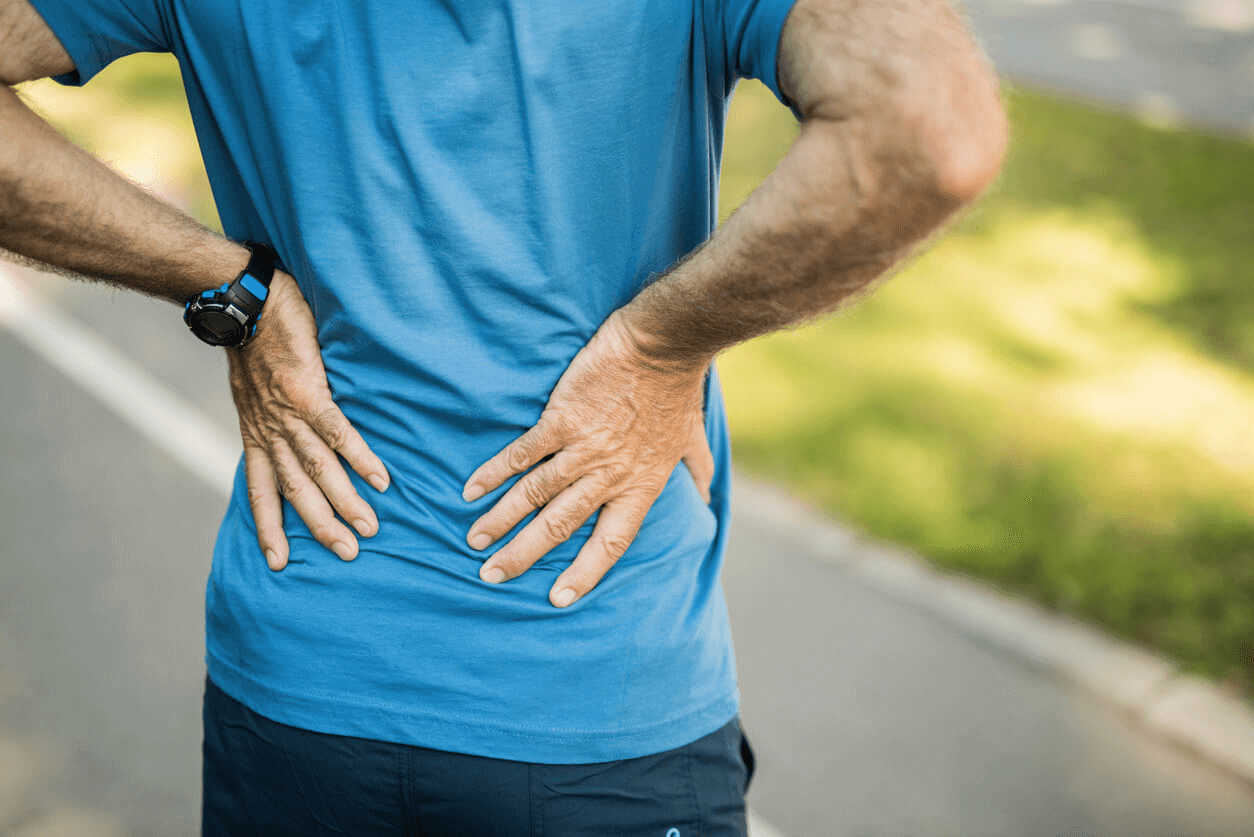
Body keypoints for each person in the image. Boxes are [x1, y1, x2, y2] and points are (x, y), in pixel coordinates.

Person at [0, 0, 1006, 832]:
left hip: (303, 669)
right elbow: (930, 130)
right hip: (590, 676)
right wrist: (659, 347)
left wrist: (228, 289)